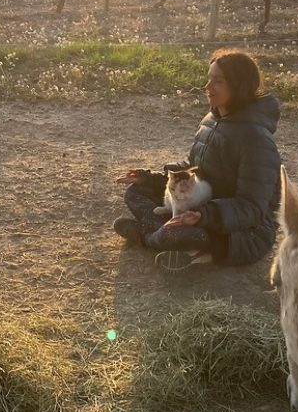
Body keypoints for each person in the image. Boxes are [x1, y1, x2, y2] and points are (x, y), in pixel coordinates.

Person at [113, 49, 281, 272]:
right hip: (200, 207)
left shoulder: (256, 139)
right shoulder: (211, 120)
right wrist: (151, 179)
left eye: (218, 81)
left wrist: (204, 216)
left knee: (176, 232)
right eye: (209, 78)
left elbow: (252, 208)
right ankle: (168, 235)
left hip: (241, 232)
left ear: (239, 85)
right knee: (135, 192)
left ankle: (150, 236)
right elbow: (194, 171)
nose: (207, 87)